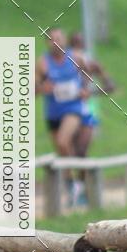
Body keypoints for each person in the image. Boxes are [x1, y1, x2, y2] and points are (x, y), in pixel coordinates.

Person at [35, 28, 89, 207]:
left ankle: (75, 186)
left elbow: (88, 75)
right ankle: (75, 187)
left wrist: (85, 89)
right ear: (47, 43)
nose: (56, 43)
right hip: (53, 113)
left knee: (63, 141)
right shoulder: (43, 63)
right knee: (63, 150)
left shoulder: (76, 58)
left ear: (64, 40)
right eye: (52, 39)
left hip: (73, 109)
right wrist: (42, 88)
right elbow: (32, 89)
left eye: (59, 38)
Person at [68, 31, 116, 171]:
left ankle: (83, 181)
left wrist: (90, 93)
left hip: (89, 109)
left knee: (82, 150)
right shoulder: (65, 64)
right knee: (72, 151)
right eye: (74, 44)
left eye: (79, 44)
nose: (77, 48)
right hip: (69, 110)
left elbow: (111, 86)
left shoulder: (91, 64)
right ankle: (76, 181)